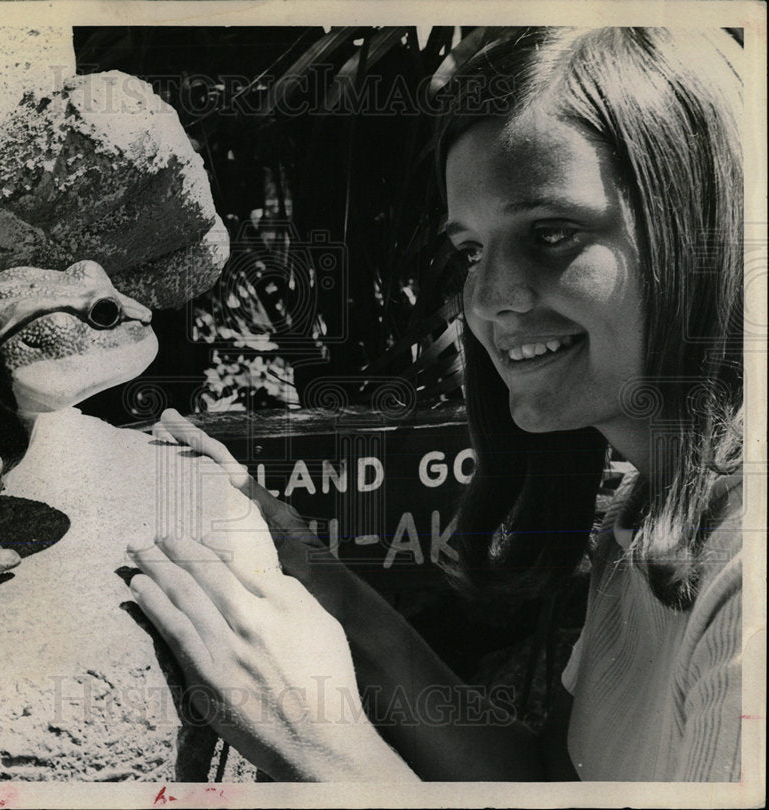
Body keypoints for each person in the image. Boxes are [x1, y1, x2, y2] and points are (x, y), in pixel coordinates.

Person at [125, 27, 745, 781]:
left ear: (703, 226)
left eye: (551, 234)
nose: (488, 300)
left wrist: (319, 744)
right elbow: (550, 783)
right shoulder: (648, 515)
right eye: (472, 250)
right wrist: (323, 581)